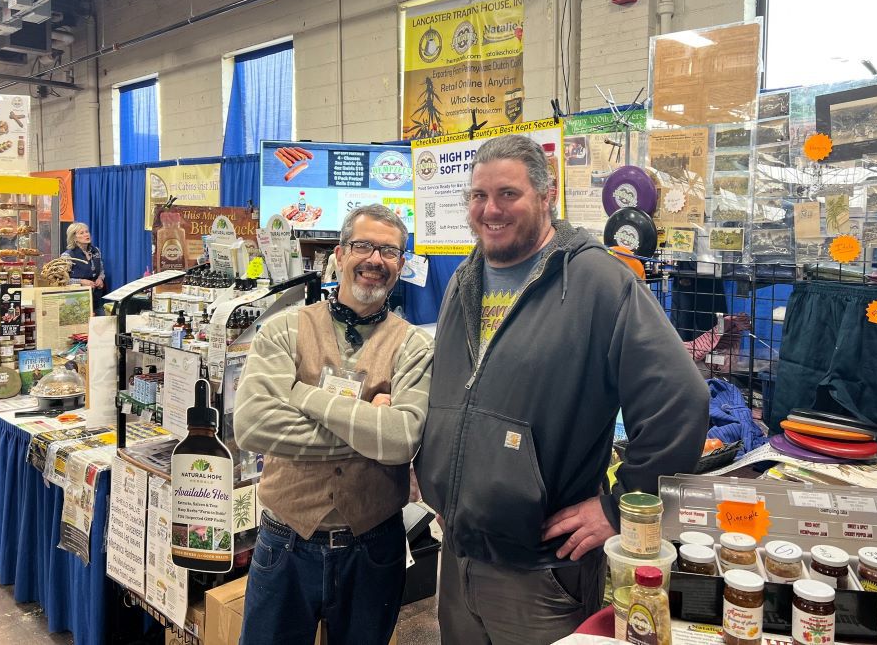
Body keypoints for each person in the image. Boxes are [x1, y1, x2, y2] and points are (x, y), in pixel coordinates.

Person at [415, 135, 709, 645]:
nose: (490, 209)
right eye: (478, 196)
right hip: (458, 555)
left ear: (548, 196)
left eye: (508, 194)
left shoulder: (597, 281)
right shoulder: (464, 280)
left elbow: (680, 399)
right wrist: (437, 472)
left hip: (541, 573)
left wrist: (619, 507)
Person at [233, 204, 433, 645]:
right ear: (339, 255)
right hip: (286, 541)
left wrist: (302, 396)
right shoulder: (283, 330)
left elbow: (400, 441)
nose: (375, 260)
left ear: (401, 264)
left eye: (390, 251)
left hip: (373, 545)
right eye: (363, 246)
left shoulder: (415, 346)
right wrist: (370, 426)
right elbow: (251, 425)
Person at [62, 222, 105, 314]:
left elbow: (101, 269)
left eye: (87, 231)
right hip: (76, 301)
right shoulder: (68, 255)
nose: (86, 234)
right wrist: (81, 282)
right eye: (81, 233)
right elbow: (62, 280)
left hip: (96, 298)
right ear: (74, 238)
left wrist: (100, 278)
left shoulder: (95, 251)